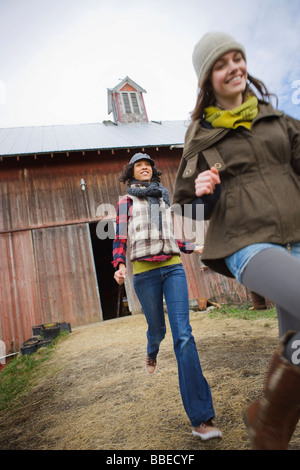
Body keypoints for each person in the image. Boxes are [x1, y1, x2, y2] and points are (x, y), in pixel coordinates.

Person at [172, 31, 300, 450]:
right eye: (222, 63)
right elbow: (186, 206)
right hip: (248, 242)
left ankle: (267, 423)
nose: (234, 68)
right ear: (208, 78)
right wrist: (204, 191)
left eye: (238, 58)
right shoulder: (202, 137)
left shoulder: (278, 122)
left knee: (297, 349)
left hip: (297, 234)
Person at [112, 152, 222, 441]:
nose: (145, 167)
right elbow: (121, 237)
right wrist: (120, 265)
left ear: (153, 171)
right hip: (145, 274)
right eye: (139, 165)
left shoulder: (161, 200)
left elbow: (167, 236)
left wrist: (191, 246)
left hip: (173, 269)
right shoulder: (126, 202)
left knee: (183, 335)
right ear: (132, 173)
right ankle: (152, 347)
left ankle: (201, 418)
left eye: (148, 164)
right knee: (158, 330)